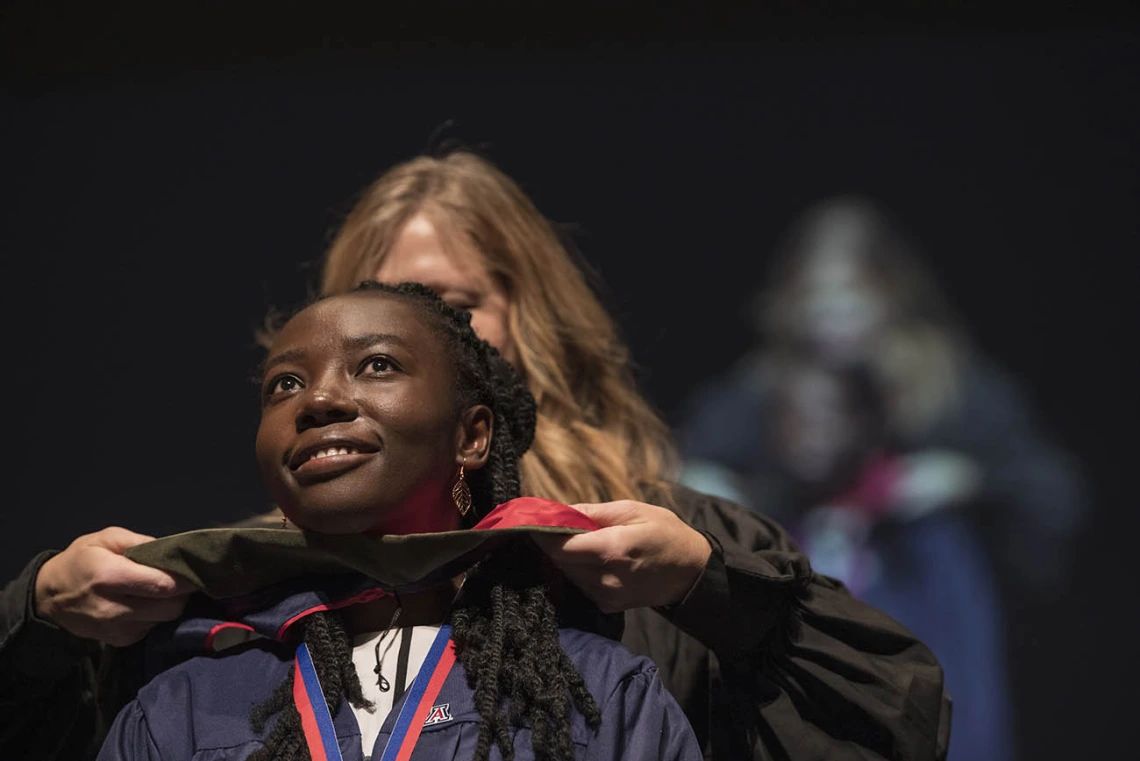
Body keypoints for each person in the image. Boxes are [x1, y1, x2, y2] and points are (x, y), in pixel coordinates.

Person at [2, 154, 951, 761]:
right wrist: (39, 616)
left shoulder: (669, 542)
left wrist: (710, 586)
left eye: (454, 301)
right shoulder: (237, 585)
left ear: (525, 324)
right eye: (378, 307)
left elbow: (892, 720)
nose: (424, 325)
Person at [95, 281, 701, 761]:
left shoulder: (595, 693)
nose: (317, 401)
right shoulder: (184, 708)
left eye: (377, 365)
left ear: (471, 436)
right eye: (285, 384)